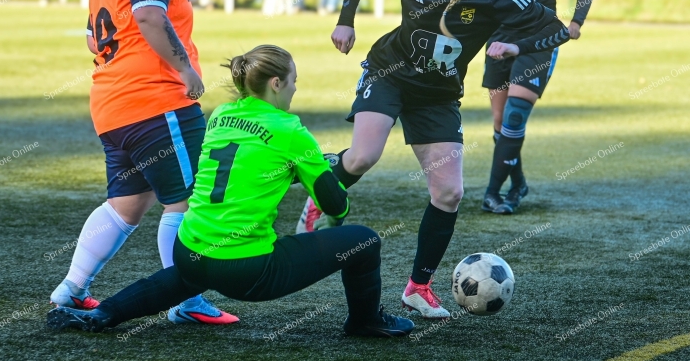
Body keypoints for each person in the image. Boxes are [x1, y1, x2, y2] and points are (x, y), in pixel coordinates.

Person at [295, 0, 570, 318]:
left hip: (438, 96)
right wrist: (345, 22)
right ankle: (324, 187)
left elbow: (557, 29)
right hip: (389, 75)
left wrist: (515, 48)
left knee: (449, 193)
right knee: (363, 157)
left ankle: (417, 288)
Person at [47, 45, 414, 339]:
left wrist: (290, 174)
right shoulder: (290, 130)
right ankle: (365, 322)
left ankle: (103, 314)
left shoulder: (221, 115)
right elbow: (333, 203)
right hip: (247, 270)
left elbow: (248, 169)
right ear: (275, 83)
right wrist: (325, 174)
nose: (295, 88)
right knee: (364, 242)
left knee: (181, 279)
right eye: (293, 81)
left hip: (190, 250)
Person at [49, 0, 236, 325]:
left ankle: (71, 289)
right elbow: (150, 16)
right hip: (155, 101)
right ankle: (186, 301)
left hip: (112, 105)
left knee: (126, 204)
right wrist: (185, 70)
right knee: (188, 201)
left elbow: (94, 38)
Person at [481, 0, 592, 214]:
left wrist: (576, 21)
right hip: (500, 40)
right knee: (500, 123)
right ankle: (518, 184)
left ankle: (492, 193)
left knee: (515, 114)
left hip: (538, 40)